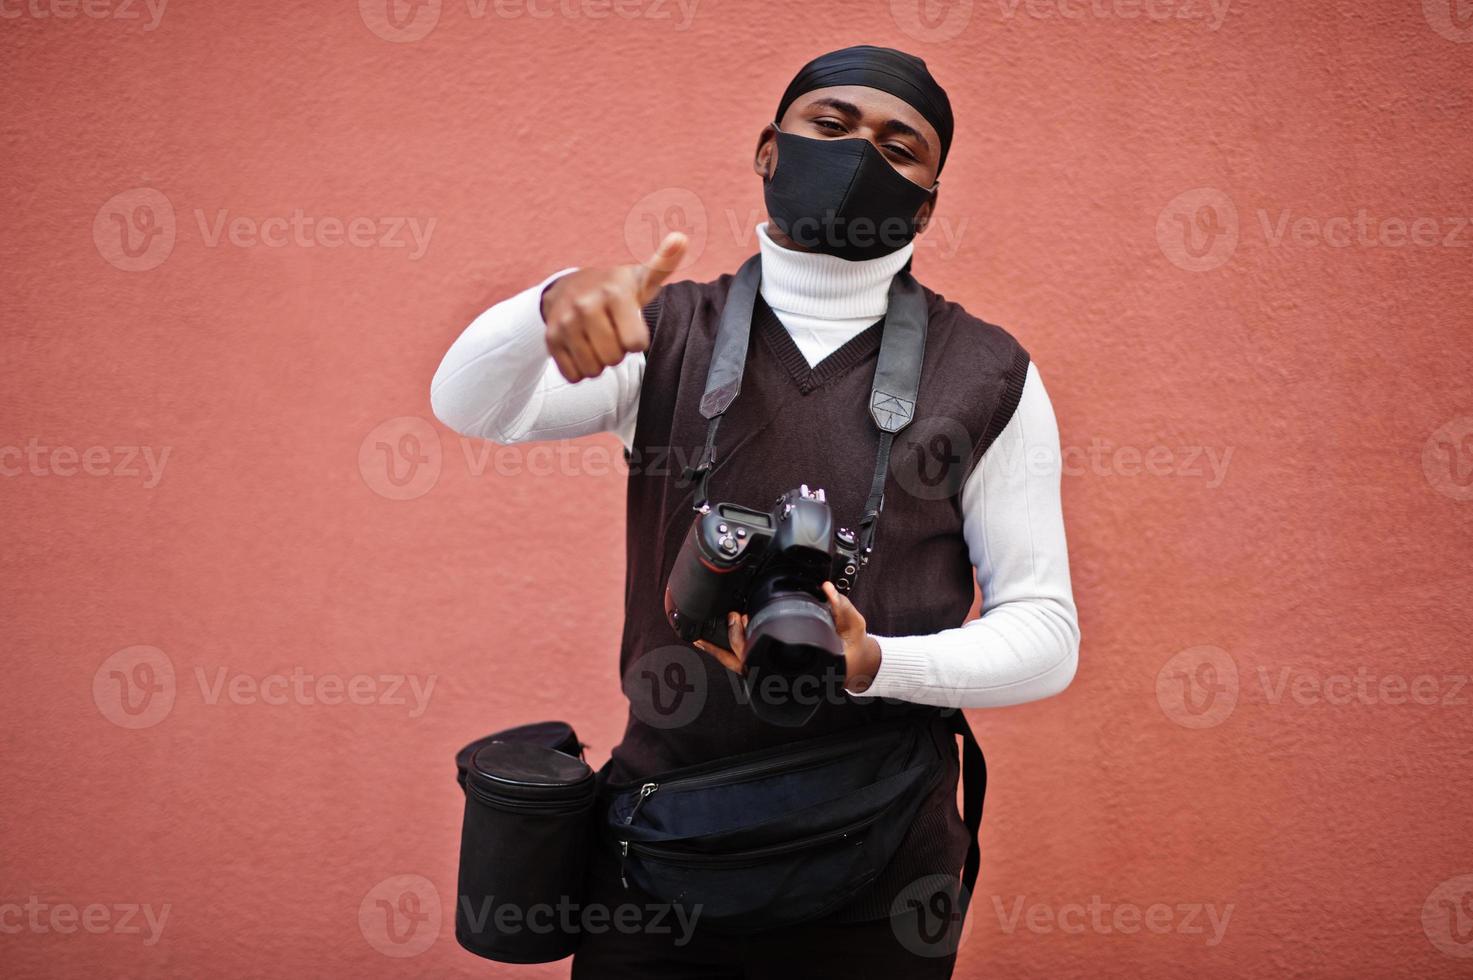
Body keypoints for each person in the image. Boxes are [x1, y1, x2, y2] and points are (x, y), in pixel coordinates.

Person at [432, 44, 1079, 979]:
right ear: (767, 149)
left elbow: (1047, 634)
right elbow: (470, 406)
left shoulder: (988, 371)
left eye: (901, 146)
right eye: (830, 125)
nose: (861, 156)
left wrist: (870, 662)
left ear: (927, 203)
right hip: (660, 844)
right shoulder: (664, 331)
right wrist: (548, 304)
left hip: (883, 857)